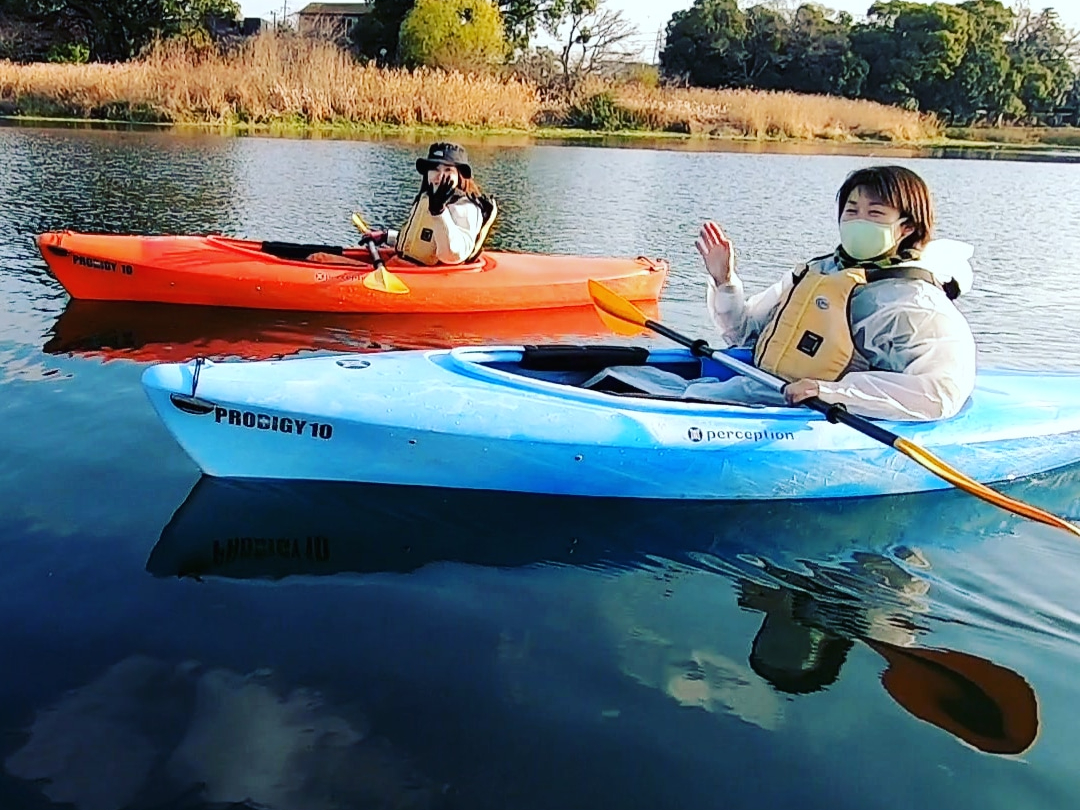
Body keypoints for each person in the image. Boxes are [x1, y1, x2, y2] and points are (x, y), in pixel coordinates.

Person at [588, 166, 977, 422]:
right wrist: (724, 280)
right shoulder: (820, 272)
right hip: (756, 393)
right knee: (610, 380)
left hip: (808, 416)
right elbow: (744, 335)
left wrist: (832, 392)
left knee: (628, 399)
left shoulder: (914, 302)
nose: (858, 221)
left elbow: (941, 391)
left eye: (875, 214)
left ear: (907, 228)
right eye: (851, 210)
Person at [310, 142, 497, 267]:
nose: (439, 176)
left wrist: (439, 212)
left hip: (419, 277)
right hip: (401, 263)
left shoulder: (465, 209)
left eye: (448, 170)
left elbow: (452, 256)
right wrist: (387, 236)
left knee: (318, 259)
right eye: (434, 169)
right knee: (311, 254)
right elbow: (420, 240)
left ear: (460, 175)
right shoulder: (427, 198)